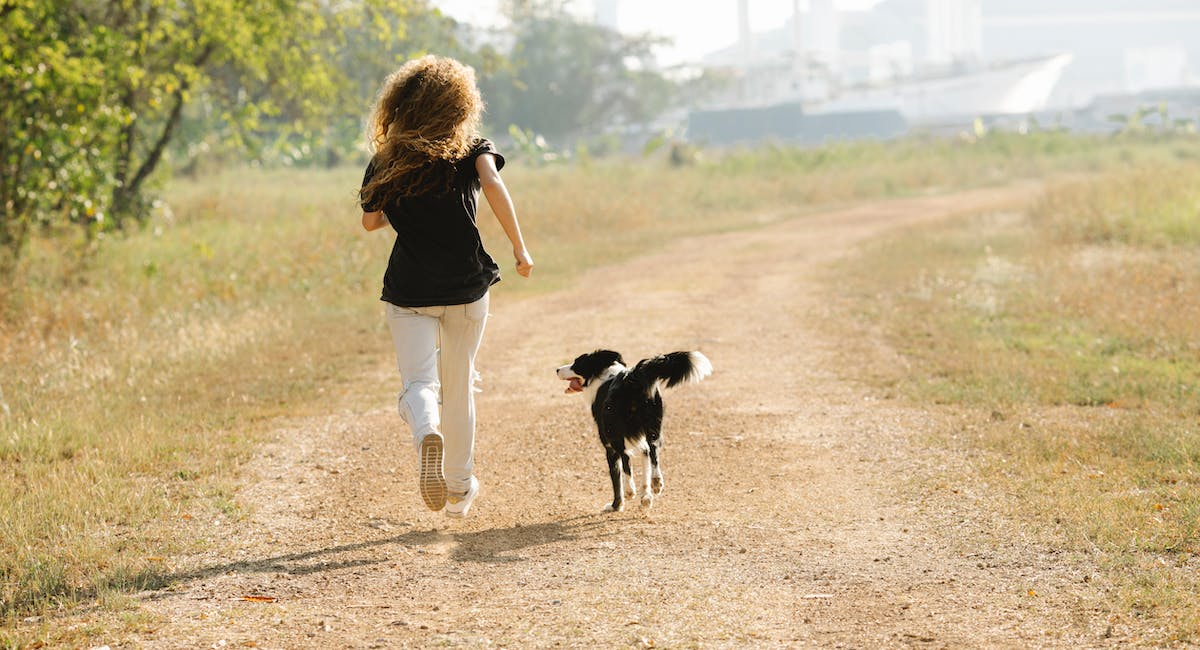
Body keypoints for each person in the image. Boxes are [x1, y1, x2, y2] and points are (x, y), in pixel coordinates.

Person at [359, 55, 532, 518]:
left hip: (409, 288)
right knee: (460, 385)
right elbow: (493, 184)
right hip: (466, 287)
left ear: (400, 105)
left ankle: (426, 432)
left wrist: (401, 197)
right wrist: (520, 249)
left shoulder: (387, 158)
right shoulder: (471, 148)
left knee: (419, 382)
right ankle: (459, 485)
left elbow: (370, 221)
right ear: (460, 104)